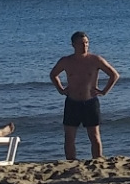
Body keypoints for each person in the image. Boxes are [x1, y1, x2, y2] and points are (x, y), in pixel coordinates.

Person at [51, 31, 121, 161]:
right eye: (81, 43)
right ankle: (71, 162)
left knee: (94, 136)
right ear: (73, 44)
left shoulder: (95, 60)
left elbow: (114, 75)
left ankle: (97, 161)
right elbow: (53, 74)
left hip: (90, 102)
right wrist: (60, 89)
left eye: (86, 43)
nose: (85, 46)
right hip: (72, 102)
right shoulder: (66, 61)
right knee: (69, 137)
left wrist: (104, 91)